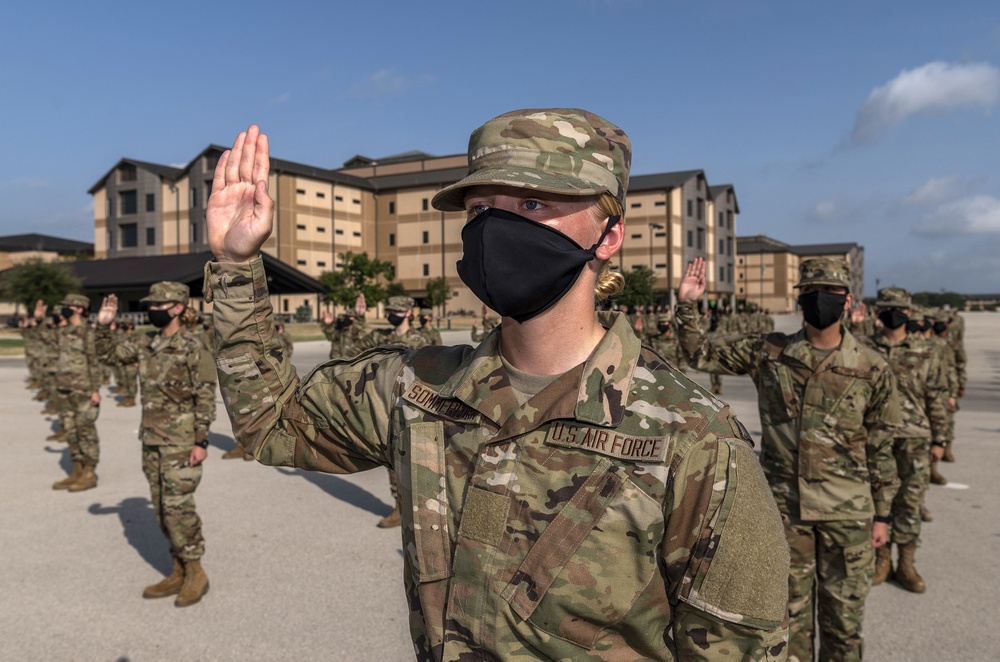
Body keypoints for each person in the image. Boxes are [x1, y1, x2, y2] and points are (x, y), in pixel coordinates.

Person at [204, 112, 789, 660]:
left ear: (609, 235)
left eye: (532, 202)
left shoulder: (696, 437)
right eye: (480, 208)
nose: (496, 227)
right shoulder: (415, 387)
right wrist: (234, 267)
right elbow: (271, 425)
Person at [675, 256, 901, 662]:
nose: (820, 300)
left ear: (847, 300)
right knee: (786, 620)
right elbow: (698, 354)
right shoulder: (770, 352)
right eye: (811, 292)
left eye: (830, 293)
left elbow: (882, 448)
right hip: (782, 511)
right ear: (800, 299)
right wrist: (688, 304)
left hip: (847, 513)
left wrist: (883, 515)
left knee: (844, 625)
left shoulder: (871, 367)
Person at [95, 282, 218, 607]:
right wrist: (103, 327)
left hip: (181, 442)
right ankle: (177, 569)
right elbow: (106, 355)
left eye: (158, 305)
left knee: (179, 511)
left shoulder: (196, 347)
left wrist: (202, 439)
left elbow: (205, 395)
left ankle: (196, 571)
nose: (152, 310)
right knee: (162, 510)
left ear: (177, 308)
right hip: (151, 440)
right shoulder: (145, 344)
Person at [862, 288, 948, 594]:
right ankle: (881, 559)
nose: (892, 313)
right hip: (876, 438)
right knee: (878, 501)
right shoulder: (866, 349)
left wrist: (941, 438)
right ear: (878, 313)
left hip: (915, 438)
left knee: (910, 503)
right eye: (886, 307)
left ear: (907, 313)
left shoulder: (926, 351)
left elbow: (936, 395)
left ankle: (906, 564)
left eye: (897, 308)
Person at [354, 295, 430, 528]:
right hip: (387, 406)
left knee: (423, 463)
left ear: (408, 312)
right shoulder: (381, 337)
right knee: (393, 462)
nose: (391, 314)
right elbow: (353, 347)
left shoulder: (422, 339)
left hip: (417, 410)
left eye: (396, 311)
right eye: (389, 310)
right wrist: (359, 317)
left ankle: (427, 511)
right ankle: (399, 508)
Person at [50, 293, 102, 492]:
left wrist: (95, 390)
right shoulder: (63, 332)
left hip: (83, 389)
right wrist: (37, 320)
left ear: (79, 309)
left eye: (68, 306)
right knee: (71, 431)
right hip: (64, 388)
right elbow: (40, 338)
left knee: (85, 430)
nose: (63, 309)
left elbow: (94, 362)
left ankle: (89, 473)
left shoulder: (88, 333)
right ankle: (77, 470)